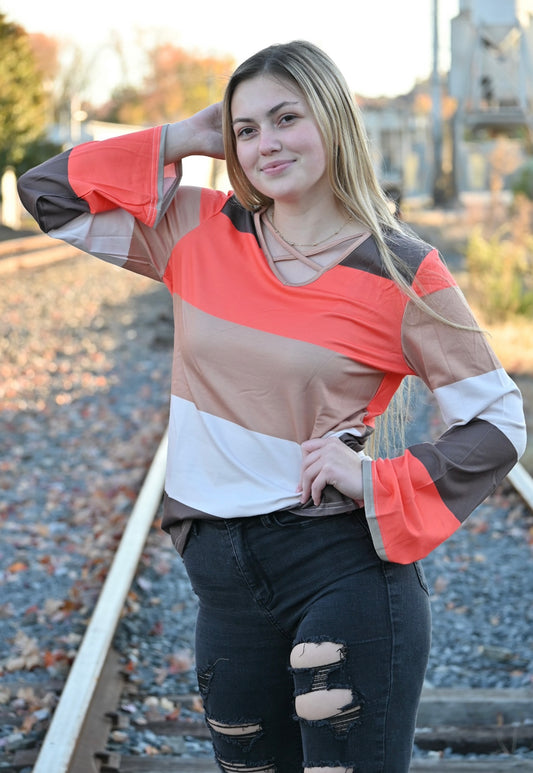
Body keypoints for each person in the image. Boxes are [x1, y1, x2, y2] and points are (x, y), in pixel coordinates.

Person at [18, 40, 526, 773]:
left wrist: (377, 478)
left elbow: (498, 420)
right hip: (223, 581)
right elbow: (49, 195)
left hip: (338, 569)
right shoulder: (195, 228)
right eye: (245, 129)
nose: (264, 144)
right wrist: (181, 137)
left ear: (332, 120)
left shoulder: (398, 267)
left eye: (285, 118)